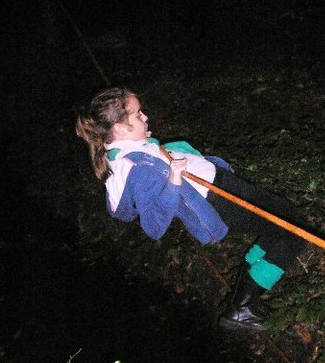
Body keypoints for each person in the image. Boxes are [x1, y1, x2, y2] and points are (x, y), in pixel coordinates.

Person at [75, 87, 305, 329]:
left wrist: (147, 142)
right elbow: (153, 227)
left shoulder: (127, 148)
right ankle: (242, 305)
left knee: (277, 228)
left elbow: (155, 160)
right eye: (138, 114)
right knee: (293, 230)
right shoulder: (138, 171)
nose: (145, 117)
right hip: (219, 199)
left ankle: (242, 301)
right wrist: (174, 182)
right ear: (121, 128)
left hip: (219, 187)